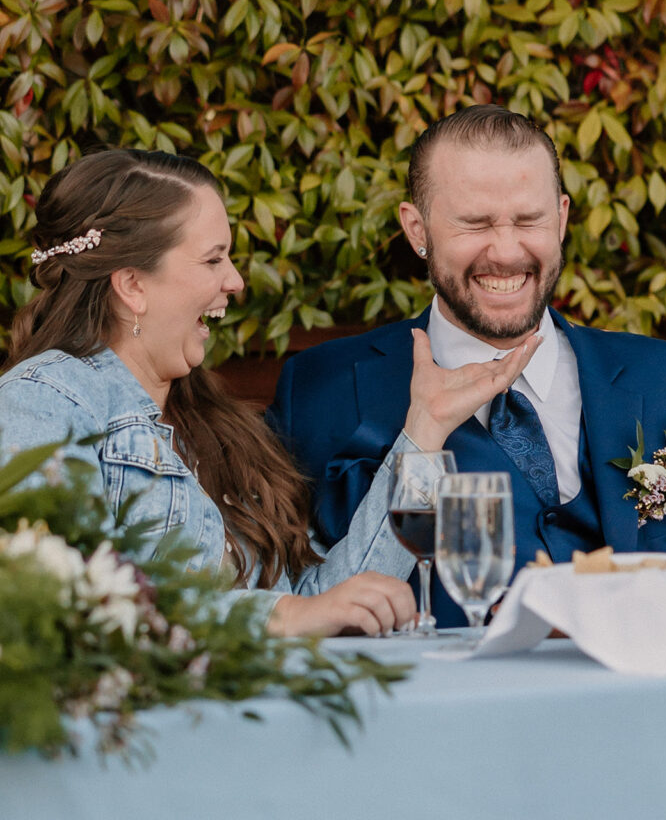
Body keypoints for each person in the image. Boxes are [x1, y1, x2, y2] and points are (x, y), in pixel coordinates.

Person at [0, 148, 532, 638]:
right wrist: (282, 615)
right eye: (213, 260)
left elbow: (315, 604)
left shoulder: (216, 428)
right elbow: (57, 607)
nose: (234, 281)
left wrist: (424, 431)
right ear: (133, 285)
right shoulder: (43, 400)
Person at [269, 105, 666, 627]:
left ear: (561, 219)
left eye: (529, 220)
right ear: (417, 230)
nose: (506, 252)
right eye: (475, 223)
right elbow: (287, 597)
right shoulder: (317, 391)